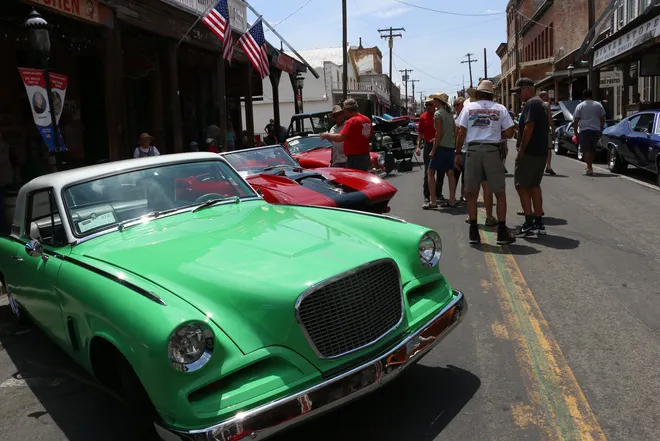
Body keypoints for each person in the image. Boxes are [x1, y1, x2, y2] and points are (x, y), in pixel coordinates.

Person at [455, 80, 516, 245]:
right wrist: (497, 133)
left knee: (471, 193)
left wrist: (458, 152)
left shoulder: (468, 108)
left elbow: (461, 132)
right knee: (499, 192)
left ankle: (474, 232)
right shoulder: (500, 109)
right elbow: (510, 132)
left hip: (473, 151)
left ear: (478, 94)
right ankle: (502, 232)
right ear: (491, 94)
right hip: (492, 151)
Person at [512, 78, 549, 238]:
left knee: (521, 185)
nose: (518, 95)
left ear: (527, 88)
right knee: (534, 186)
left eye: (519, 92)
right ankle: (538, 223)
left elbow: (529, 127)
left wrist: (522, 150)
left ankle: (529, 222)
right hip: (539, 152)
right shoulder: (539, 103)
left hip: (530, 153)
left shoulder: (531, 104)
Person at [319, 98, 372, 171]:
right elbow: (369, 135)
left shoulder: (351, 122)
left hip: (354, 158)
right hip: (364, 156)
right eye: (336, 115)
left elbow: (340, 138)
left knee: (354, 179)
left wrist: (326, 135)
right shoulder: (366, 120)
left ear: (346, 110)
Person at [426, 92, 457, 209]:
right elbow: (453, 130)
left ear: (439, 102)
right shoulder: (449, 114)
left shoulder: (438, 114)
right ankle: (452, 199)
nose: (433, 102)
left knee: (430, 171)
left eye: (434, 100)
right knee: (450, 172)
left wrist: (433, 150)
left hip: (441, 147)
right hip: (450, 146)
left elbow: (438, 133)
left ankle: (433, 201)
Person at [573, 89, 605, 176]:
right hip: (595, 129)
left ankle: (589, 166)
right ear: (592, 95)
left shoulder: (580, 106)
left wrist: (576, 133)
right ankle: (590, 166)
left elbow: (576, 121)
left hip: (584, 130)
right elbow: (602, 118)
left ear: (583, 96)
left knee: (586, 149)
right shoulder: (598, 105)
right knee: (593, 149)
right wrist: (601, 129)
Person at [416, 99, 442, 206]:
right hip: (428, 146)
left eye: (430, 104)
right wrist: (418, 146)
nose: (428, 106)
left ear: (434, 105)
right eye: (426, 104)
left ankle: (437, 194)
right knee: (428, 172)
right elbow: (420, 133)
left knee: (440, 172)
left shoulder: (439, 116)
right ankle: (427, 196)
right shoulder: (423, 117)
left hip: (439, 145)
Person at [539, 91, 557, 175]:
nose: (548, 97)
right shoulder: (546, 104)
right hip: (545, 129)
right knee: (548, 148)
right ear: (543, 96)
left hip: (536, 129)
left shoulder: (534, 103)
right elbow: (549, 117)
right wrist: (553, 128)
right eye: (546, 95)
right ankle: (548, 166)